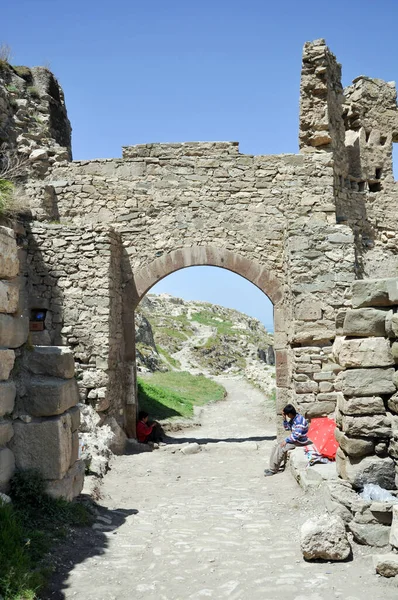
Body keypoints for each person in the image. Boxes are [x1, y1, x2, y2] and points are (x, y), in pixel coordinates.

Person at [264, 404, 310, 476]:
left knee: (281, 448)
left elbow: (296, 436)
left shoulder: (299, 421)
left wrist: (287, 440)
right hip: (294, 439)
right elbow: (287, 428)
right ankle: (272, 466)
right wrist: (284, 419)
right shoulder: (294, 418)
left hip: (300, 441)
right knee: (276, 446)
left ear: (290, 414)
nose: (287, 416)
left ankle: (273, 469)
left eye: (287, 415)